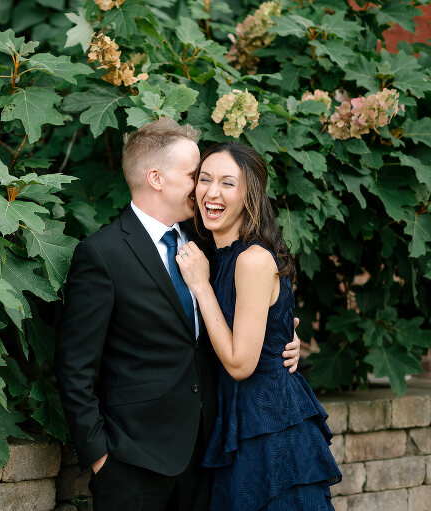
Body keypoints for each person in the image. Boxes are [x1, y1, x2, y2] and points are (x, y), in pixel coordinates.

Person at [54, 118, 301, 511]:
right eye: (195, 176)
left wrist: (282, 341)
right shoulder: (103, 254)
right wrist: (101, 458)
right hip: (134, 461)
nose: (204, 190)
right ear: (156, 178)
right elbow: (74, 367)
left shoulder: (209, 240)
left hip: (209, 456)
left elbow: (249, 309)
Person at [174, 141, 342, 510]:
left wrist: (201, 287)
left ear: (251, 194)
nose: (212, 193)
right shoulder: (214, 255)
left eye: (227, 183)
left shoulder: (251, 260)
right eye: (204, 179)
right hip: (237, 419)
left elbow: (240, 364)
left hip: (268, 426)